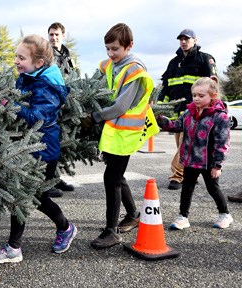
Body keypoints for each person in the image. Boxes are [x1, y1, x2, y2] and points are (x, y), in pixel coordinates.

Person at [0, 35, 77, 264]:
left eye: (21, 57)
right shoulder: (28, 76)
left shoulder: (46, 86)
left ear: (38, 63)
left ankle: (13, 248)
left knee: (22, 197)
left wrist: (10, 106)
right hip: (29, 146)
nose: (16, 61)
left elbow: (36, 117)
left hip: (42, 150)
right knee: (38, 199)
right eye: (15, 56)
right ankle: (65, 228)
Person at [82, 23, 155, 249]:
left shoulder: (134, 70)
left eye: (115, 49)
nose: (111, 54)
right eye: (107, 49)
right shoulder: (108, 65)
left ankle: (111, 231)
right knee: (118, 175)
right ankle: (133, 214)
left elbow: (121, 106)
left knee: (111, 178)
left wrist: (93, 116)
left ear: (129, 45)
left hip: (126, 132)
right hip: (113, 131)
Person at [157, 76, 233, 229]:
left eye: (201, 95)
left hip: (209, 162)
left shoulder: (220, 116)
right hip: (190, 159)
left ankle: (225, 214)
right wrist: (161, 119)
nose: (196, 99)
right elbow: (176, 126)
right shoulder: (189, 112)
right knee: (187, 188)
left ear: (213, 95)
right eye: (194, 95)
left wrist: (217, 165)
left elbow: (222, 143)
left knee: (213, 188)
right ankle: (183, 217)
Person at [157, 29, 217, 190]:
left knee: (185, 145)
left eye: (187, 39)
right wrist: (161, 106)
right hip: (177, 114)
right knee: (182, 146)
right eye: (181, 39)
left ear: (195, 40)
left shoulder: (205, 59)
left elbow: (212, 86)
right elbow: (166, 88)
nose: (183, 42)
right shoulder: (173, 62)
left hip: (195, 113)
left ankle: (177, 176)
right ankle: (191, 174)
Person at [47, 22, 76, 196]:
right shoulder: (47, 54)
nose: (53, 37)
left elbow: (71, 75)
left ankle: (56, 178)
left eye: (57, 34)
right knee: (51, 143)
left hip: (66, 102)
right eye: (51, 34)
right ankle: (47, 182)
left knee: (62, 143)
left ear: (63, 35)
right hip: (51, 102)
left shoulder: (66, 54)